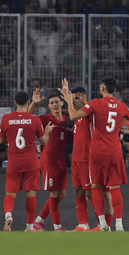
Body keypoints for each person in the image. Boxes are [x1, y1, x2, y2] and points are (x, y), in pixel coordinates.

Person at [59, 77, 129, 232]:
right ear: (114, 89)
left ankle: (102, 224)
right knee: (115, 189)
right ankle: (119, 225)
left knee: (95, 187)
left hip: (98, 152)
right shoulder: (121, 105)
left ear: (102, 88)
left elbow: (73, 117)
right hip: (115, 151)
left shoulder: (95, 103)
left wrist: (69, 100)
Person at [0, 91, 53, 231]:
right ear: (29, 102)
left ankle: (8, 215)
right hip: (31, 162)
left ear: (15, 102)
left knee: (10, 193)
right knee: (31, 195)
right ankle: (29, 227)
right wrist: (47, 132)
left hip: (13, 162)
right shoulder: (34, 119)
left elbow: (2, 140)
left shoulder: (6, 118)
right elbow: (44, 142)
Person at [69, 86, 114, 231]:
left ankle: (102, 224)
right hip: (76, 159)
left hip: (87, 157)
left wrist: (69, 99)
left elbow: (81, 108)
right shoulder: (76, 115)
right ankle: (83, 224)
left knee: (90, 191)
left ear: (84, 98)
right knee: (78, 191)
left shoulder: (90, 113)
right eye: (73, 98)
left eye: (77, 98)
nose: (74, 101)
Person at [28, 89, 73, 231]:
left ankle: (39, 221)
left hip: (61, 161)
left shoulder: (67, 120)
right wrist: (34, 103)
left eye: (57, 102)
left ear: (61, 103)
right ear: (48, 105)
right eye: (52, 103)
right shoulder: (46, 119)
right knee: (54, 194)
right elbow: (28, 118)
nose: (55, 105)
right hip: (49, 160)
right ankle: (57, 227)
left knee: (61, 194)